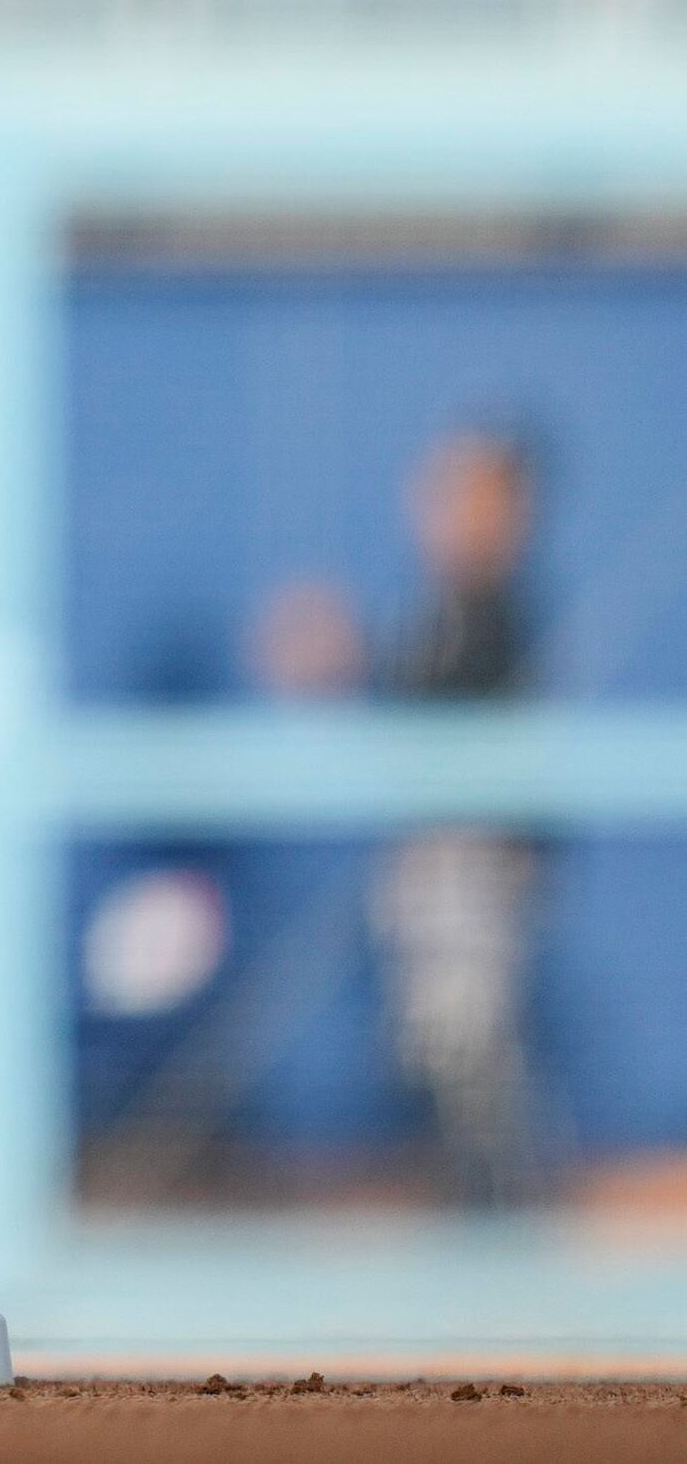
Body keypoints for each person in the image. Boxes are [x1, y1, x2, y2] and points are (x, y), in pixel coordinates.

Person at [259, 426, 549, 1208]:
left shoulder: (496, 613)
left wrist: (347, 660)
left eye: (463, 494)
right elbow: (403, 703)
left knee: (466, 1042)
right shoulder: (437, 608)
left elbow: (458, 725)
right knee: (437, 1040)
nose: (438, 511)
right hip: (430, 855)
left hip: (474, 859)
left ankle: (501, 1209)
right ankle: (479, 1202)